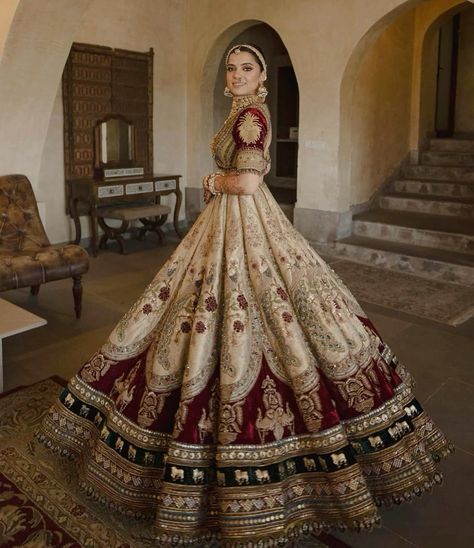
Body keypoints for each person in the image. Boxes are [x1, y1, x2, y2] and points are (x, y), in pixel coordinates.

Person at [38, 44, 453, 547]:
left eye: (246, 69)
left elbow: (250, 181)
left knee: (265, 314)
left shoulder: (251, 115)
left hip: (245, 223)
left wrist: (212, 179)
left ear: (260, 78)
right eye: (231, 69)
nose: (235, 76)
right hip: (229, 225)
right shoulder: (244, 110)